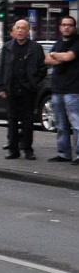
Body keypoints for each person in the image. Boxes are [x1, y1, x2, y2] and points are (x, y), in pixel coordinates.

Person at [0, 19, 47, 160]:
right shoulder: (7, 47)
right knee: (12, 120)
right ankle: (13, 149)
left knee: (28, 121)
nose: (20, 31)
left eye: (23, 28)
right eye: (18, 28)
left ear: (28, 31)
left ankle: (27, 149)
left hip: (28, 89)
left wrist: (34, 83)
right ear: (14, 30)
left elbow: (42, 69)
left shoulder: (35, 48)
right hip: (11, 88)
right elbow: (0, 68)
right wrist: (0, 86)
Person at [44, 15, 79, 164]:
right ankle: (64, 153)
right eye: (64, 24)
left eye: (69, 25)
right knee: (61, 125)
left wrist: (55, 56)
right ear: (59, 27)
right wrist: (57, 56)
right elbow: (47, 60)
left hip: (73, 89)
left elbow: (68, 57)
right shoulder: (58, 43)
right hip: (57, 89)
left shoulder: (77, 41)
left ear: (74, 27)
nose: (66, 27)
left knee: (77, 124)